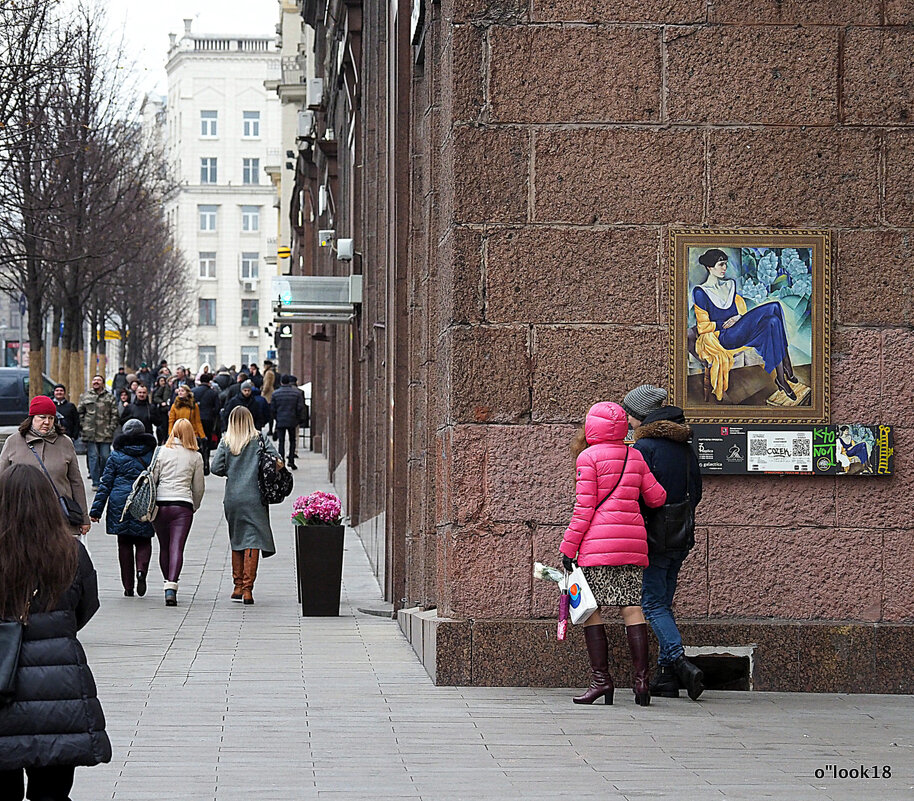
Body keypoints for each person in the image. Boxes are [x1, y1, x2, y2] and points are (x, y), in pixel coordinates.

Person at [0, 464, 111, 798]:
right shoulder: (71, 553)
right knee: (53, 794)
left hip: (3, 689)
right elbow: (86, 607)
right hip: (59, 689)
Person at [559, 401, 666, 706]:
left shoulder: (588, 458)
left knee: (592, 609)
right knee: (632, 607)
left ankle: (601, 681)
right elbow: (657, 497)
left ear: (592, 426)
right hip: (632, 546)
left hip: (597, 548)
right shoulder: (636, 456)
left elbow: (584, 510)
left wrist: (568, 547)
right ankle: (642, 682)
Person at [623, 384, 705, 702]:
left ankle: (680, 662)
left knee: (652, 604)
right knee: (663, 604)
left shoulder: (645, 449)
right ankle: (666, 678)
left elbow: (639, 497)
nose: (628, 421)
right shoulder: (683, 446)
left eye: (630, 414)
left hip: (655, 537)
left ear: (641, 415)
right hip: (682, 535)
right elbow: (695, 491)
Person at [692, 249, 809, 406]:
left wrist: (739, 318)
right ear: (709, 267)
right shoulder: (700, 292)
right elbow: (703, 327)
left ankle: (781, 377)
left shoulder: (730, 285)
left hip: (740, 329)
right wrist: (727, 323)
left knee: (773, 321)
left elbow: (737, 315)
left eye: (725, 264)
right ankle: (787, 367)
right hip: (724, 337)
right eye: (720, 265)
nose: (724, 268)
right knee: (774, 306)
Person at [211, 407, 279, 605]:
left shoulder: (227, 440)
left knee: (237, 538)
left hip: (233, 497)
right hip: (255, 497)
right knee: (253, 540)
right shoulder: (259, 438)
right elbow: (277, 460)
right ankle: (248, 589)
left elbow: (216, 467)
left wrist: (232, 473)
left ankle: (237, 585)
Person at [0, 396, 90, 540]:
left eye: (51, 418)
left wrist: (84, 517)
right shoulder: (14, 442)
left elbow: (76, 482)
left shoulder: (64, 442)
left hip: (58, 517)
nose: (47, 422)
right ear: (32, 418)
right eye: (42, 417)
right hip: (21, 516)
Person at [89, 419, 158, 598]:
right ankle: (141, 570)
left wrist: (96, 511)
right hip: (144, 500)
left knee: (124, 543)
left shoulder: (116, 455)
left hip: (120, 503)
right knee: (144, 539)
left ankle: (128, 587)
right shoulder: (152, 454)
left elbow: (105, 484)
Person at [150, 419, 204, 606]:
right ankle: (171, 585)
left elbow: (153, 480)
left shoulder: (161, 452)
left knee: (164, 546)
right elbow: (198, 487)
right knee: (177, 547)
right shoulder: (195, 456)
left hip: (161, 505)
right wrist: (194, 505)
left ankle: (167, 582)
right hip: (182, 506)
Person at [78, 374, 119, 490]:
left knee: (105, 457)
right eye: (94, 380)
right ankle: (96, 482)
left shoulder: (109, 397)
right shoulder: (85, 396)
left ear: (102, 383)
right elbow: (80, 412)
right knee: (93, 457)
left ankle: (103, 478)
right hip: (90, 433)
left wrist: (111, 428)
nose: (96, 382)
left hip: (105, 433)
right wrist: (83, 426)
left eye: (98, 380)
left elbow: (115, 414)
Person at [270, 374, 306, 469]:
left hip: (281, 420)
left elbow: (273, 409)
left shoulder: (276, 393)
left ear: (281, 382)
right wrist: (298, 419)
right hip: (292, 420)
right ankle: (291, 460)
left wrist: (276, 418)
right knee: (292, 440)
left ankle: (281, 461)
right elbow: (300, 408)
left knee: (281, 441)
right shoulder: (296, 393)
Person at [192, 374, 221, 474]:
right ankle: (206, 464)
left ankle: (198, 464)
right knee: (207, 442)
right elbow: (217, 408)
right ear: (209, 381)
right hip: (208, 420)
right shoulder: (213, 393)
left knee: (196, 442)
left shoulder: (194, 391)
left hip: (196, 420)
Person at [151, 375, 171, 444]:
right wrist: (161, 402)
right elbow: (155, 398)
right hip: (161, 410)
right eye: (161, 381)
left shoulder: (170, 388)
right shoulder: (160, 389)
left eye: (163, 381)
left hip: (168, 410)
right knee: (161, 427)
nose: (163, 382)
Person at [261, 360, 276, 437]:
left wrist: (263, 392)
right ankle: (270, 429)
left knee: (270, 413)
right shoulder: (270, 372)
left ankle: (270, 429)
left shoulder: (268, 373)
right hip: (269, 394)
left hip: (268, 395)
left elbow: (267, 384)